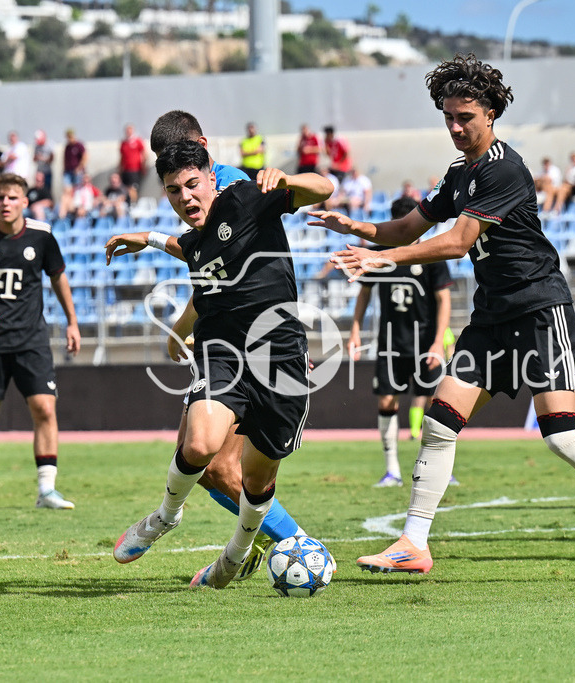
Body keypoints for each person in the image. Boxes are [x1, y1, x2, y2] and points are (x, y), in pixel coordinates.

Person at [310, 53, 575, 581]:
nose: (455, 127)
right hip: (493, 315)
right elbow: (408, 227)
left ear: (492, 113)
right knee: (439, 422)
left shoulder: (504, 168)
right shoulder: (460, 172)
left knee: (560, 435)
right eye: (448, 117)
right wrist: (357, 229)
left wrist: (381, 260)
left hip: (541, 308)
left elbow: (456, 242)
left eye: (465, 117)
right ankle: (414, 542)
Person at [104, 140, 334, 588]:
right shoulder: (196, 240)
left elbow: (323, 187)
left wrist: (285, 178)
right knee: (200, 446)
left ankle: (237, 553)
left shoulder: (245, 197)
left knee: (256, 481)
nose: (185, 197)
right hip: (222, 353)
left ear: (212, 176)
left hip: (280, 357)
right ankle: (165, 517)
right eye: (174, 191)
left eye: (192, 184)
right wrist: (148, 240)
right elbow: (189, 250)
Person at [140, 110, 311, 576]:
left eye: (190, 176)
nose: (182, 190)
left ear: (205, 152)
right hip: (227, 344)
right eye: (169, 176)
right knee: (204, 456)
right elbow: (208, 268)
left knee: (221, 470)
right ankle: (266, 545)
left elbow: (230, 266)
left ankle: (288, 543)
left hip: (266, 342)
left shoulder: (234, 185)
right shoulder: (195, 198)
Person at [0, 172, 81, 511]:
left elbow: (58, 278)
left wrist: (72, 322)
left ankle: (47, 490)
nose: (5, 203)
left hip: (31, 339)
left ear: (24, 201)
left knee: (44, 408)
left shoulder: (42, 236)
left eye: (12, 198)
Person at [348, 195, 453, 487]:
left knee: (438, 403)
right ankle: (392, 470)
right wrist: (355, 329)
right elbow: (364, 293)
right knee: (386, 400)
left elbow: (444, 300)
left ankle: (439, 467)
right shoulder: (380, 254)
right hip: (391, 342)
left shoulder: (432, 255)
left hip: (424, 342)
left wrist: (437, 343)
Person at [118, 123, 147, 205]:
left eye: (130, 130)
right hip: (126, 169)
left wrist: (143, 166)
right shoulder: (123, 143)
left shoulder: (137, 141)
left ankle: (134, 204)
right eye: (127, 130)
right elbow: (122, 157)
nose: (129, 132)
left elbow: (144, 154)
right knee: (126, 188)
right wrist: (120, 169)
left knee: (133, 188)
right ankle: (129, 204)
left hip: (135, 169)